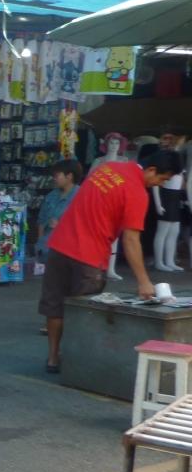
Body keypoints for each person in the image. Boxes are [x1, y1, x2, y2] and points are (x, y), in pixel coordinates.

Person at [39, 150, 181, 373]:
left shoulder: (107, 168)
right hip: (89, 257)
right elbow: (131, 240)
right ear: (152, 170)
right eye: (162, 179)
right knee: (85, 312)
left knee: (54, 306)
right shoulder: (137, 193)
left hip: (60, 246)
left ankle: (53, 358)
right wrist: (144, 281)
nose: (161, 184)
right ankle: (78, 365)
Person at [35, 159, 84, 262]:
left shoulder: (81, 196)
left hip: (69, 252)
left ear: (69, 176)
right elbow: (41, 221)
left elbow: (84, 225)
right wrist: (40, 244)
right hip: (46, 250)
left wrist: (61, 225)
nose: (54, 179)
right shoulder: (51, 196)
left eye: (57, 176)